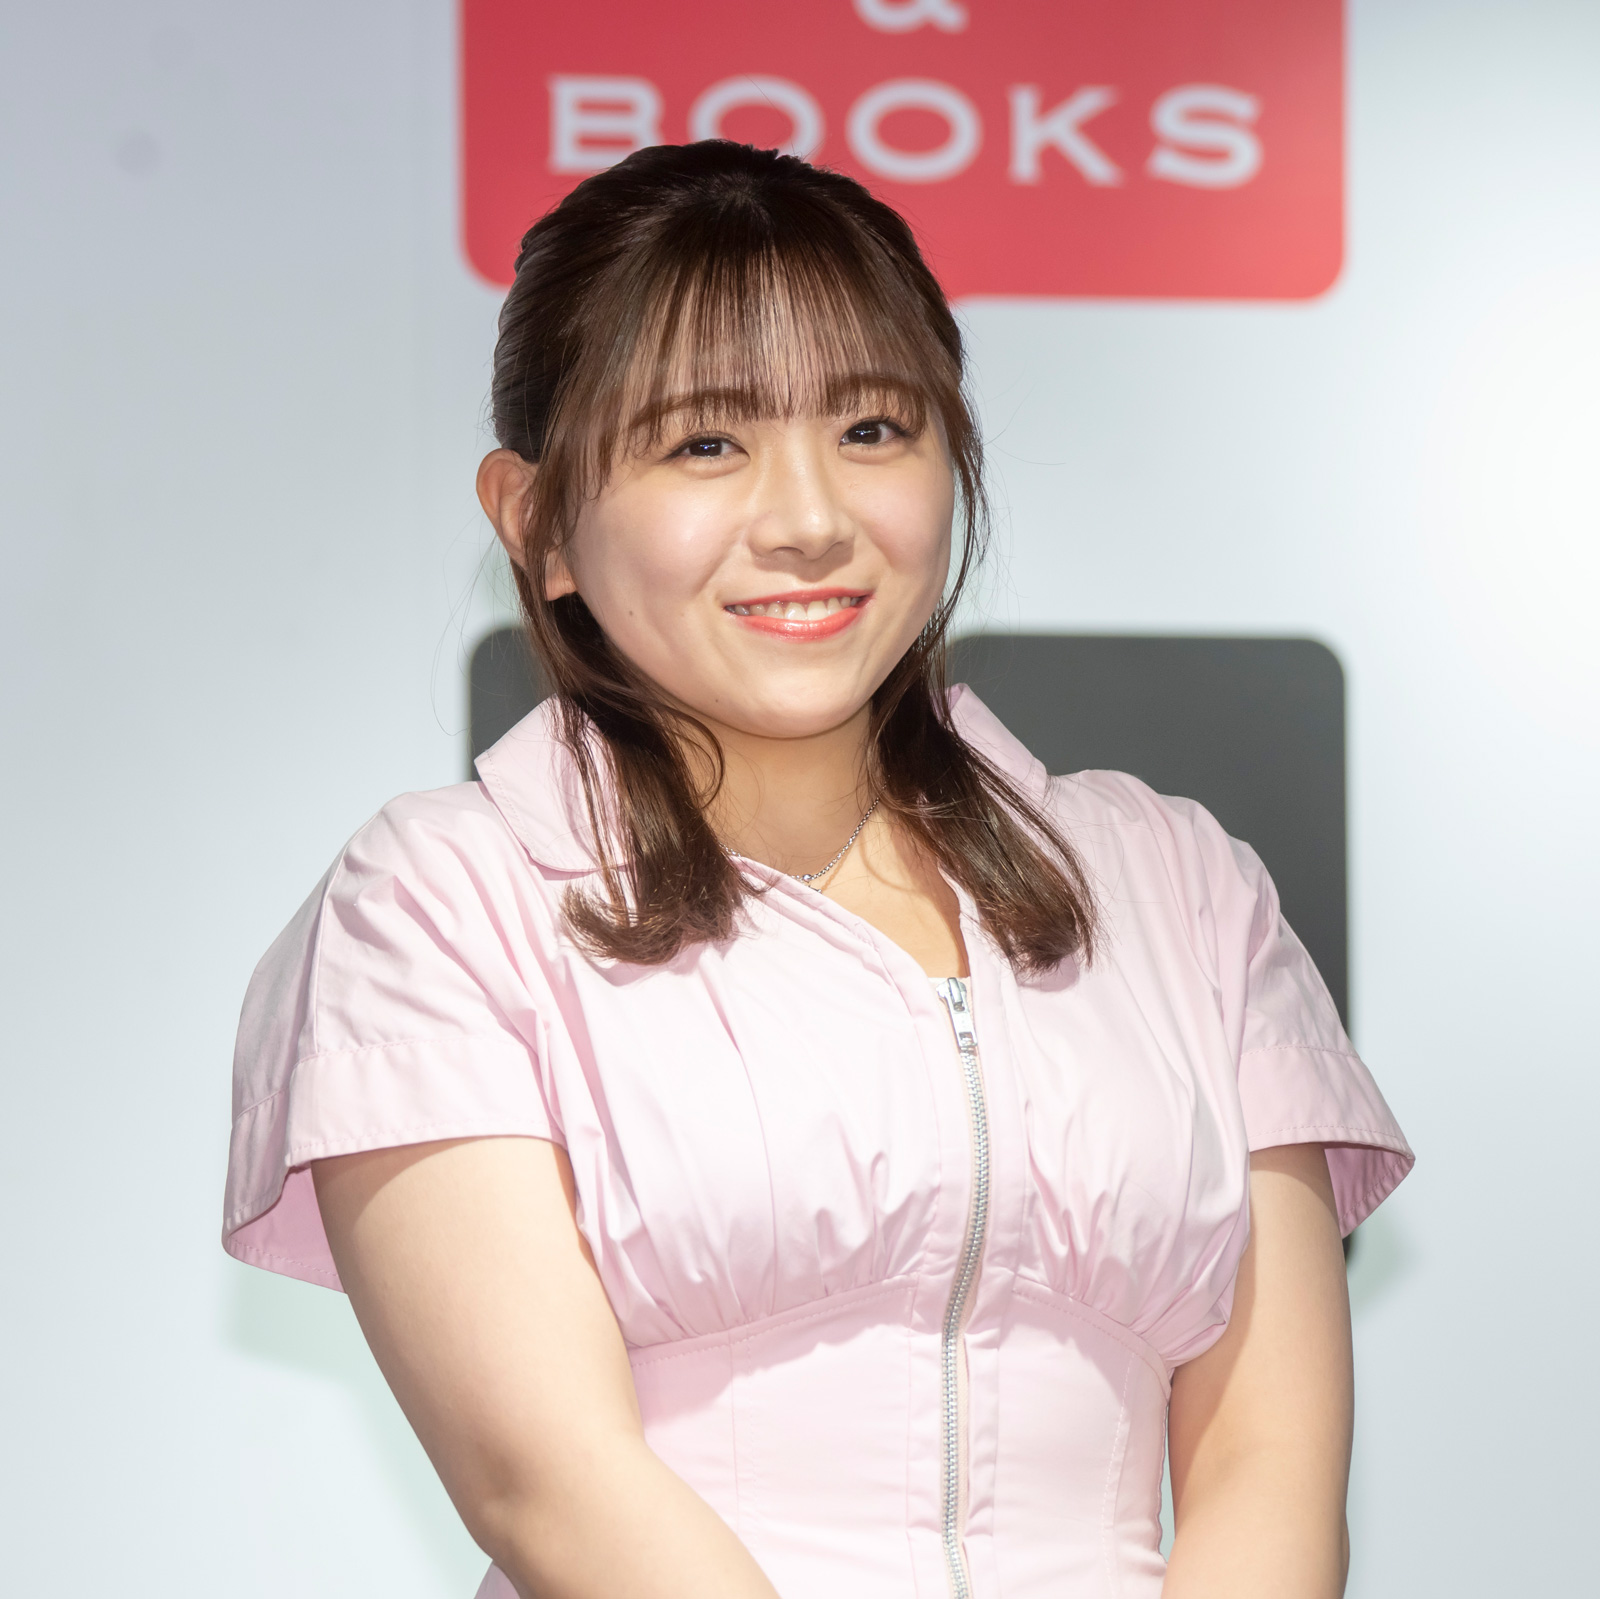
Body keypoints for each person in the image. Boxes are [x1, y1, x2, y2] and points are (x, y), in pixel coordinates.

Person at [223, 141, 1412, 1599]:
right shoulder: (445, 899)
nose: (809, 520)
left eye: (872, 427)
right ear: (536, 524)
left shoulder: (1178, 885)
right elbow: (553, 1487)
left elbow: (1266, 1473)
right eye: (703, 445)